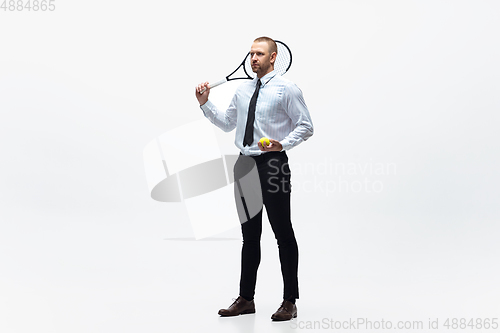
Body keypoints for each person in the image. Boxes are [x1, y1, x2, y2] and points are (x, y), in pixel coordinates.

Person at [195, 36, 313, 321]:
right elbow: (227, 124)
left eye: (259, 54)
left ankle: (289, 301)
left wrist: (281, 144)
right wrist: (205, 104)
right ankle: (246, 298)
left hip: (273, 165)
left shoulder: (288, 89)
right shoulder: (243, 90)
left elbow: (306, 126)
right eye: (251, 54)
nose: (253, 59)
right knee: (250, 236)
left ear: (273, 57)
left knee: (283, 233)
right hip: (244, 165)